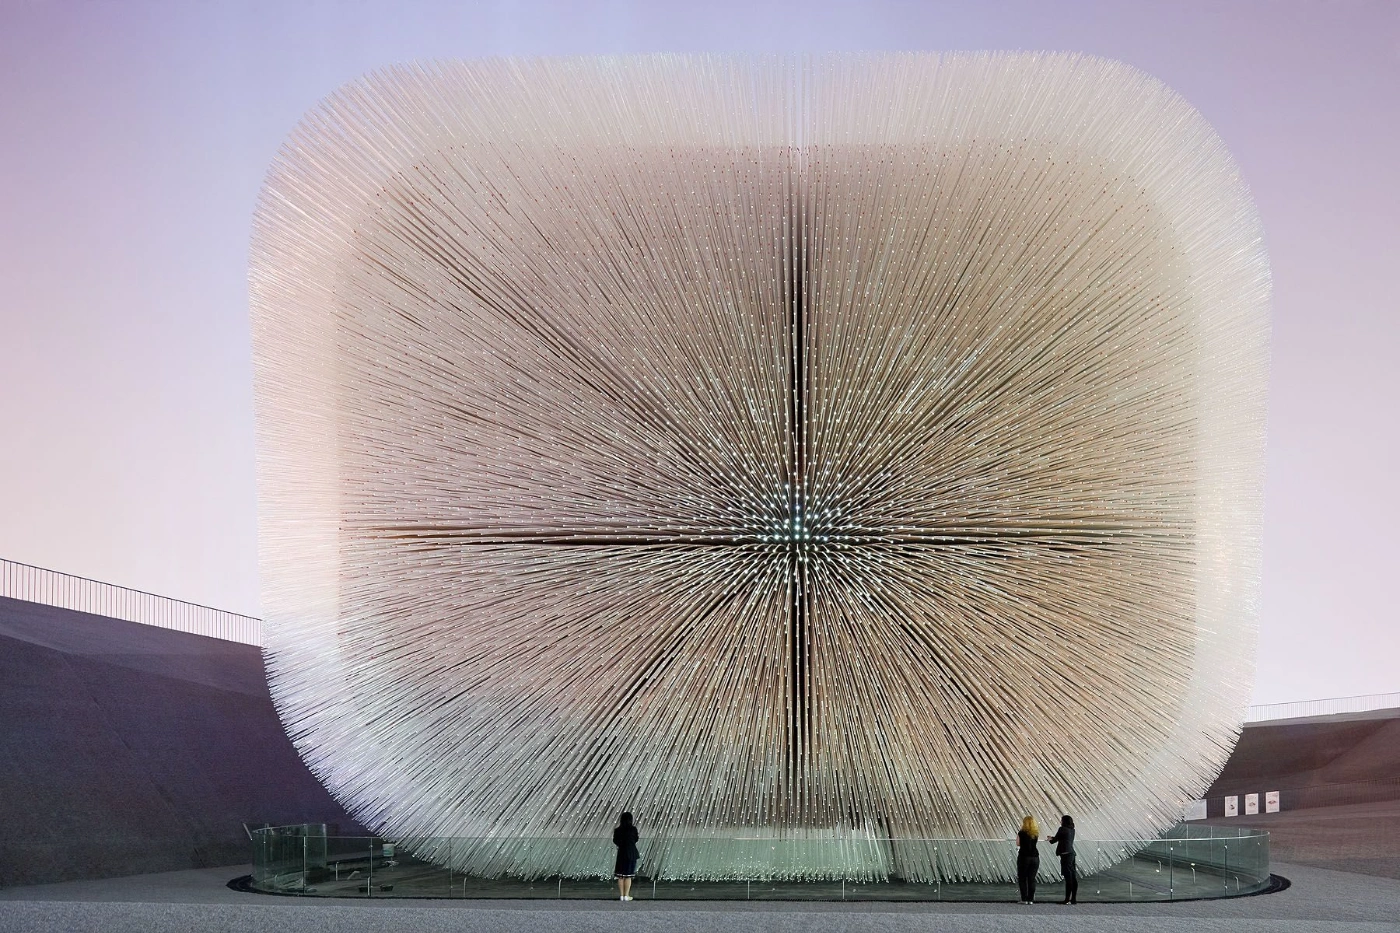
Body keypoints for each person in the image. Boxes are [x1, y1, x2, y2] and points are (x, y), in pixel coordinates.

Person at [1046, 814, 1077, 904]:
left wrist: (1049, 838)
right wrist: (1054, 838)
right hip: (1071, 853)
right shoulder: (1072, 830)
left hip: (1065, 855)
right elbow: (1063, 839)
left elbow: (1053, 841)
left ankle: (1067, 899)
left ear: (1064, 821)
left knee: (1068, 878)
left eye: (1061, 820)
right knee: (1073, 877)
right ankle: (1073, 899)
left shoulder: (1062, 829)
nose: (1060, 821)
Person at [613, 811, 640, 901]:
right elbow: (636, 839)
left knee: (620, 876)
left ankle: (621, 895)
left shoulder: (617, 830)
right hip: (631, 853)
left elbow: (615, 840)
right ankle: (626, 895)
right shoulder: (633, 829)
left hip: (621, 853)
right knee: (628, 876)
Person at [1016, 815, 1040, 903]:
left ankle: (1024, 899)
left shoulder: (1021, 832)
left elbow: (1018, 843)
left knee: (1022, 878)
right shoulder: (1035, 833)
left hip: (1024, 857)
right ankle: (1031, 899)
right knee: (1031, 878)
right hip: (1035, 857)